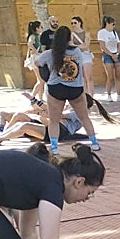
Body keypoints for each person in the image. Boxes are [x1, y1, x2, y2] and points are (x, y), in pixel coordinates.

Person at [45, 25, 101, 154]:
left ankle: (54, 147)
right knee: (84, 117)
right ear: (70, 37)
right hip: (75, 88)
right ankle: (94, 143)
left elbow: (38, 62)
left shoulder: (51, 53)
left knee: (53, 120)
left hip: (56, 88)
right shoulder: (77, 52)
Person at [0, 93, 114, 147]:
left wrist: (37, 104)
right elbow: (50, 113)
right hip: (50, 125)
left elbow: (56, 114)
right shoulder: (72, 110)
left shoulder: (79, 114)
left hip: (59, 132)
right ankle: (1, 135)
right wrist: (37, 107)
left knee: (24, 126)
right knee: (19, 116)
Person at [96, 16, 120, 102]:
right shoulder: (101, 32)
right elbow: (103, 46)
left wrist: (117, 53)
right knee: (110, 76)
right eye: (112, 24)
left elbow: (119, 44)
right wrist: (111, 55)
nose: (114, 26)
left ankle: (119, 95)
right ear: (107, 23)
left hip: (116, 54)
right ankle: (109, 94)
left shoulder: (114, 32)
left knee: (118, 76)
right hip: (108, 55)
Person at [69, 16, 95, 97]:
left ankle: (91, 96)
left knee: (89, 77)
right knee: (81, 77)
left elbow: (86, 45)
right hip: (77, 56)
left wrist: (76, 46)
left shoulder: (86, 33)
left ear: (80, 23)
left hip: (86, 55)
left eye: (75, 23)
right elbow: (70, 44)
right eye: (72, 23)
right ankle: (84, 95)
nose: (73, 25)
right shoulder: (72, 34)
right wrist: (80, 46)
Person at [25, 20, 46, 92]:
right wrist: (36, 51)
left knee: (40, 80)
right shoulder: (33, 36)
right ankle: (33, 97)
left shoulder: (38, 36)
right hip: (36, 58)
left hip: (38, 57)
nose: (42, 28)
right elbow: (30, 44)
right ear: (37, 28)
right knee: (41, 80)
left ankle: (40, 98)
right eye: (41, 27)